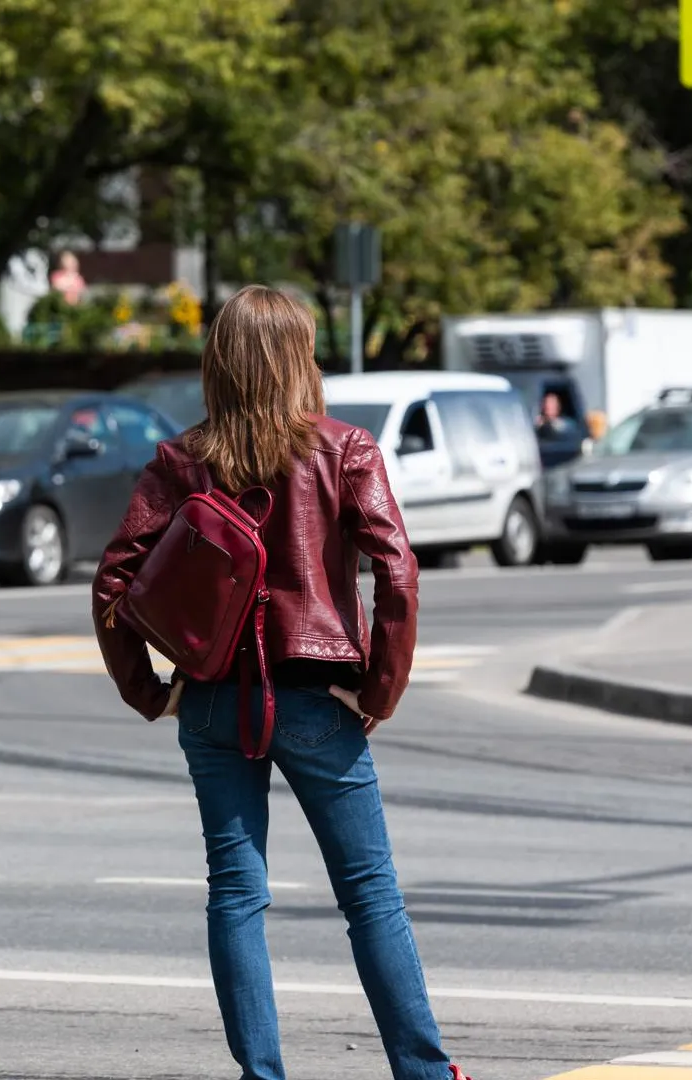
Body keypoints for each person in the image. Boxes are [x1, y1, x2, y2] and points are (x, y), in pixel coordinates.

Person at [92, 285, 468, 1080]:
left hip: (213, 697)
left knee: (235, 892)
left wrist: (149, 690)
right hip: (315, 697)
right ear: (300, 359)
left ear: (218, 362)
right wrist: (378, 692)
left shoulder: (181, 459)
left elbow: (112, 581)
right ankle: (426, 1076)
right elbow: (398, 572)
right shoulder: (345, 449)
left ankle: (261, 1078)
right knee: (370, 898)